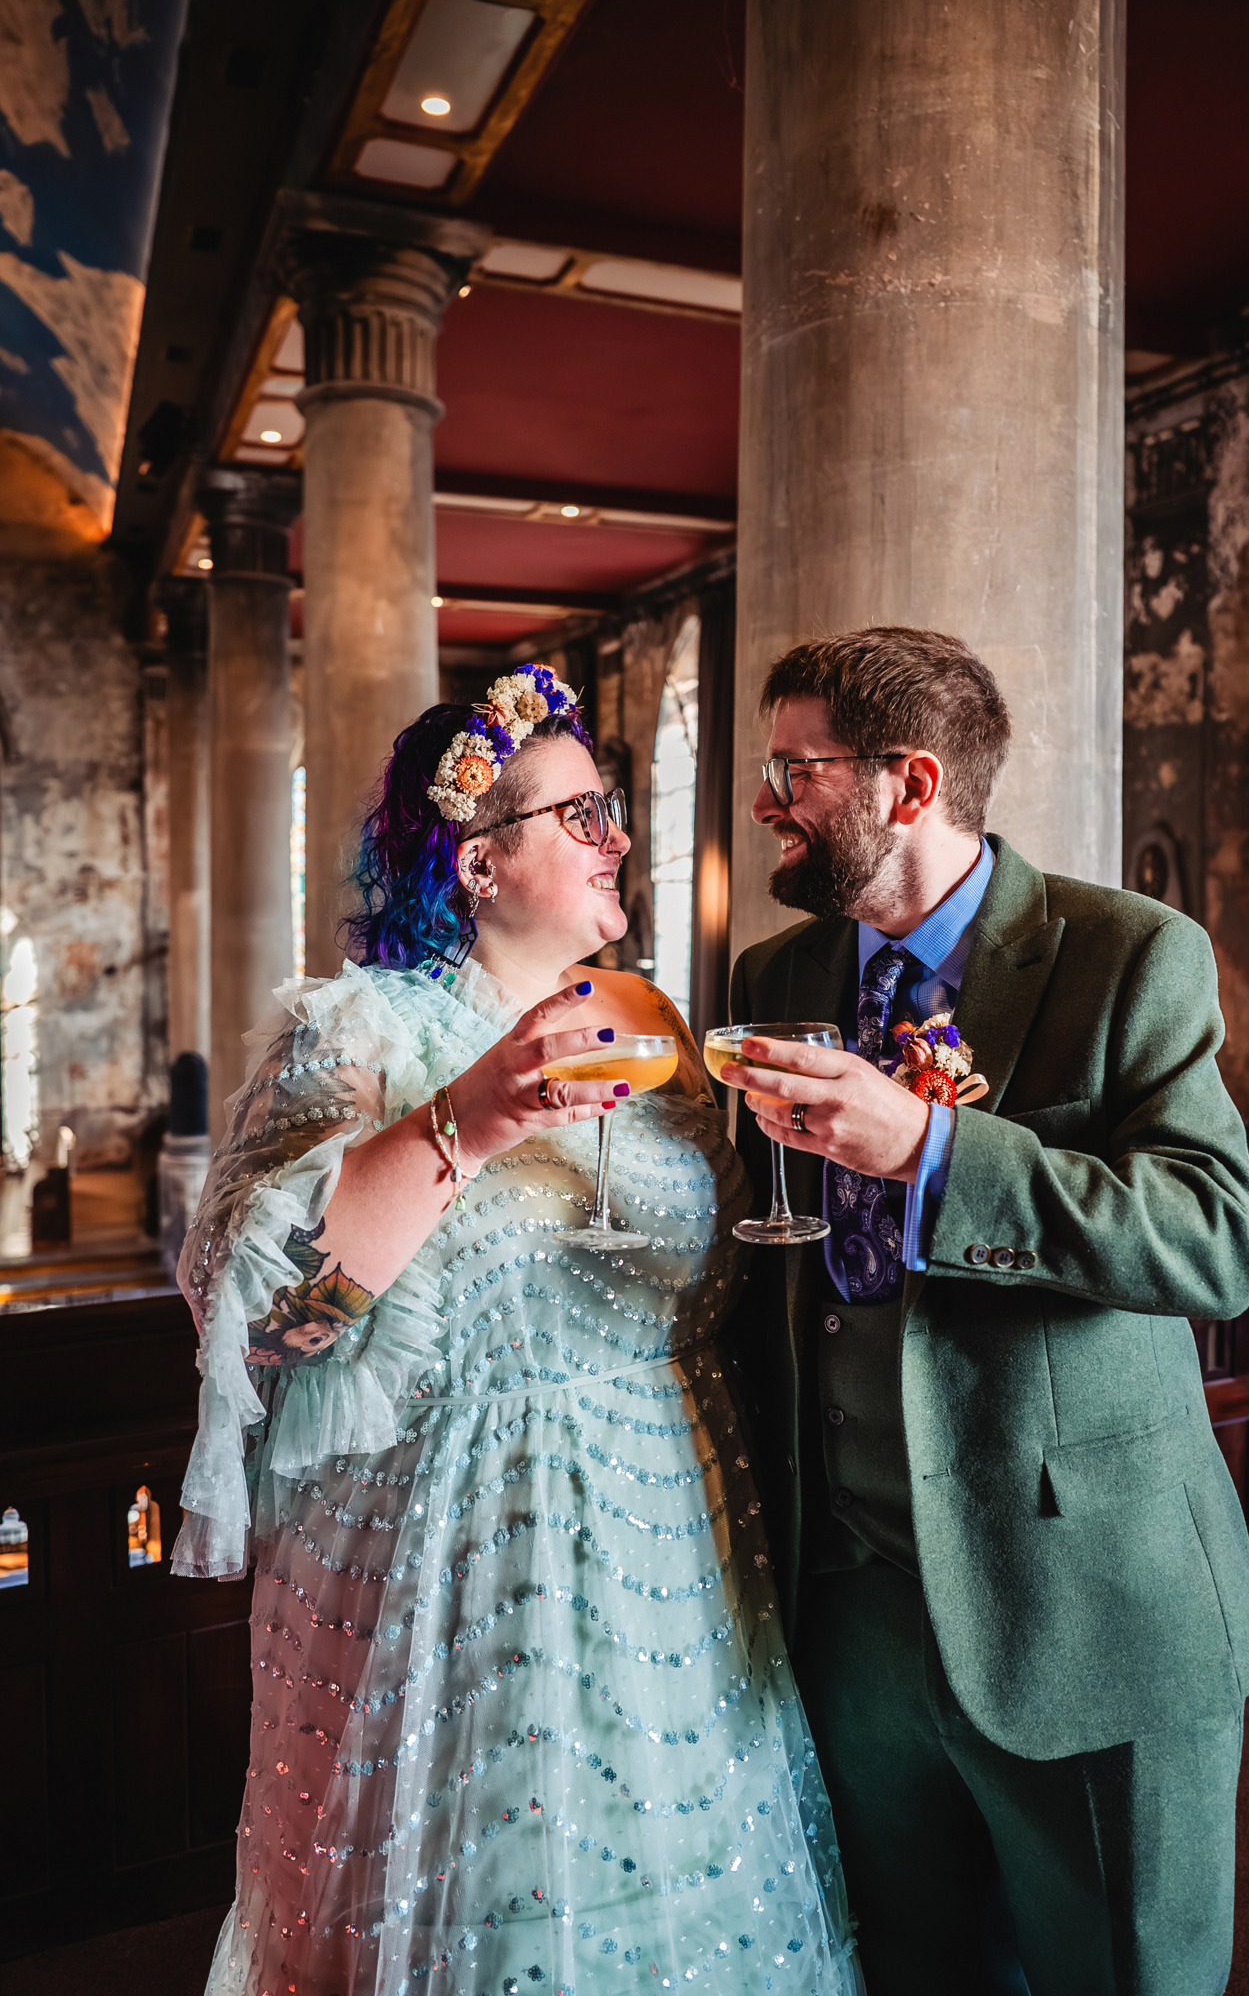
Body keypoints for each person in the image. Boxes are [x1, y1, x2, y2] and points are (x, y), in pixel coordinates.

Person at [173, 668, 860, 1996]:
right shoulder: (361, 1032)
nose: (619, 836)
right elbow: (263, 1331)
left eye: (615, 808)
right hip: (464, 1552)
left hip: (675, 1525)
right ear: (478, 861)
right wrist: (471, 1117)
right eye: (582, 813)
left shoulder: (655, 1030)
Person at [721, 626, 1249, 1996]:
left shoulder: (1128, 954)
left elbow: (1215, 1244)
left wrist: (931, 1148)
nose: (767, 801)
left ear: (910, 784)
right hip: (848, 1605)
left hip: (1085, 1600)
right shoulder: (775, 981)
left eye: (797, 771)